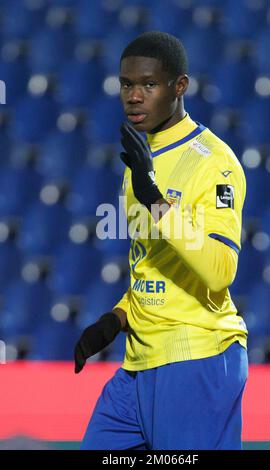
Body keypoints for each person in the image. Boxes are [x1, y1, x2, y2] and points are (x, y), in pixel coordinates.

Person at [74, 31, 248, 450]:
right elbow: (151, 261)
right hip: (138, 361)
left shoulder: (215, 164)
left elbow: (220, 270)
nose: (135, 96)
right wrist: (115, 319)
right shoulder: (138, 161)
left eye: (149, 85)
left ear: (179, 86)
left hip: (196, 358)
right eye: (127, 84)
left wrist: (153, 198)